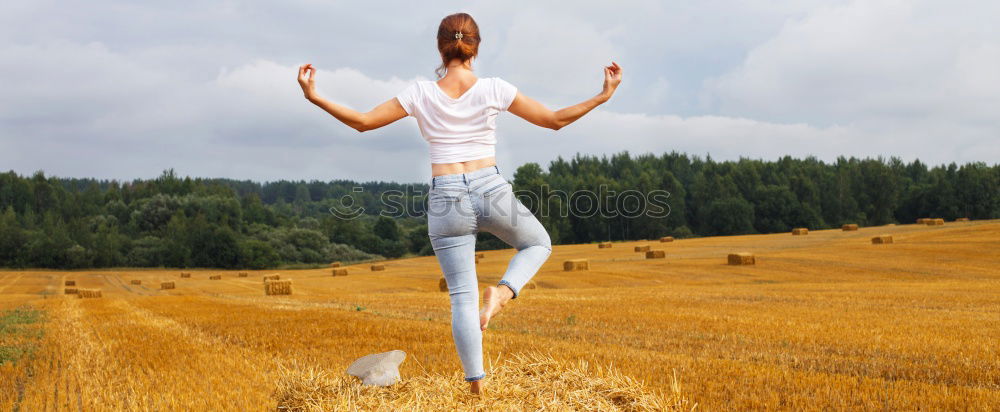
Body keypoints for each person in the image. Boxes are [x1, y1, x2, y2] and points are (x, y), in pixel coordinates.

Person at [297, 12, 621, 395]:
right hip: (490, 187)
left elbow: (363, 122)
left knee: (462, 298)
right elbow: (553, 120)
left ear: (440, 47)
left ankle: (476, 388)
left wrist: (314, 95)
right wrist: (603, 95)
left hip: (446, 195)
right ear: (475, 48)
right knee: (538, 244)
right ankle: (502, 293)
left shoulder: (419, 93)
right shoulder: (495, 88)